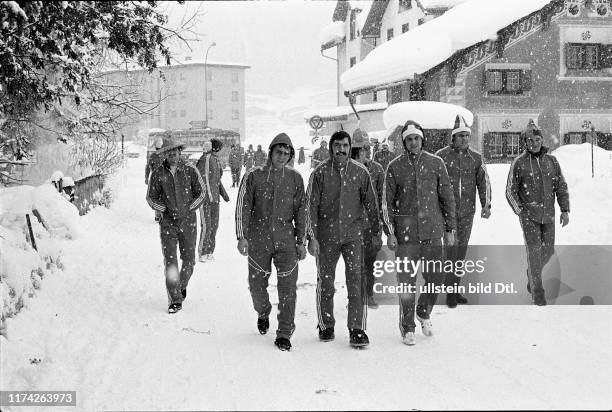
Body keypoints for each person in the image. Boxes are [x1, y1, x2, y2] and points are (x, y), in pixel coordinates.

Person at [382, 120, 456, 346]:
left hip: (433, 232)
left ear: (422, 139)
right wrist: (390, 231)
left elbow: (447, 198)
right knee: (406, 282)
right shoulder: (395, 167)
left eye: (416, 138)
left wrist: (450, 228)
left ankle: (423, 311)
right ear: (404, 142)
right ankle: (407, 327)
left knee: (436, 277)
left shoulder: (436, 163)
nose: (413, 142)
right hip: (406, 235)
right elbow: (386, 203)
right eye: (409, 139)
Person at [306, 130, 380, 348]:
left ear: (350, 147)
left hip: (353, 236)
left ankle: (357, 328)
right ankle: (326, 324)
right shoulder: (319, 173)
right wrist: (312, 237)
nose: (341, 149)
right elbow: (310, 207)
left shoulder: (361, 172)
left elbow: (371, 205)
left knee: (356, 282)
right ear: (331, 147)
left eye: (345, 145)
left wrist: (376, 232)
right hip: (326, 237)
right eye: (337, 145)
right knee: (326, 282)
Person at [235, 133, 307, 351]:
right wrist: (242, 236)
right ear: (271, 152)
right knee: (257, 286)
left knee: (288, 289)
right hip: (259, 241)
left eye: (287, 154)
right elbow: (243, 207)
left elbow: (301, 211)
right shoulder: (253, 176)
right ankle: (263, 311)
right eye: (279, 152)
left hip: (286, 242)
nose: (282, 157)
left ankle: (285, 331)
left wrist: (301, 240)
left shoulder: (295, 178)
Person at [506, 120, 570, 306]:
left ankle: (531, 274)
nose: (533, 143)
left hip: (548, 214)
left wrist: (564, 210)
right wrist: (520, 211)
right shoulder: (519, 163)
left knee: (548, 251)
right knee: (534, 252)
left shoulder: (552, 161)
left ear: (542, 140)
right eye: (529, 140)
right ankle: (537, 291)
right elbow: (510, 190)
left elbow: (561, 187)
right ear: (525, 142)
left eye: (536, 139)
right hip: (529, 216)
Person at [436, 115, 491, 308]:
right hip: (446, 213)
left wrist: (486, 204)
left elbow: (483, 182)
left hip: (467, 212)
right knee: (451, 249)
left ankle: (454, 288)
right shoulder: (441, 157)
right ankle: (450, 291)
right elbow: (434, 184)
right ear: (453, 138)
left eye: (467, 136)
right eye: (460, 136)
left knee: (460, 251)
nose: (464, 140)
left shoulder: (475, 158)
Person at [146, 138, 206, 314]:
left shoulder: (189, 170)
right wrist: (163, 209)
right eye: (168, 151)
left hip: (188, 222)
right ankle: (175, 298)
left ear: (180, 151)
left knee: (189, 260)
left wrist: (189, 208)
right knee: (171, 262)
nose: (172, 154)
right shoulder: (157, 173)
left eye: (175, 151)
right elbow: (151, 197)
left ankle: (181, 284)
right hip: (168, 224)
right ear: (165, 154)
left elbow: (201, 193)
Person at [350, 137, 384, 310]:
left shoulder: (377, 170)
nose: (367, 151)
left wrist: (380, 226)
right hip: (350, 225)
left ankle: (368, 294)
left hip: (371, 224)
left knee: (369, 263)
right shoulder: (347, 169)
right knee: (354, 264)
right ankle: (355, 297)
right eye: (363, 148)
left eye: (368, 148)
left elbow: (382, 198)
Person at [196, 139, 230, 262]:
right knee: (207, 226)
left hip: (215, 199)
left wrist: (223, 194)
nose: (221, 151)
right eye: (220, 148)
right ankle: (202, 252)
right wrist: (205, 195)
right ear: (215, 148)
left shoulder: (215, 160)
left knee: (214, 226)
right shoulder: (205, 159)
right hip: (205, 200)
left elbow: (216, 180)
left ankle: (210, 251)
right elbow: (201, 179)